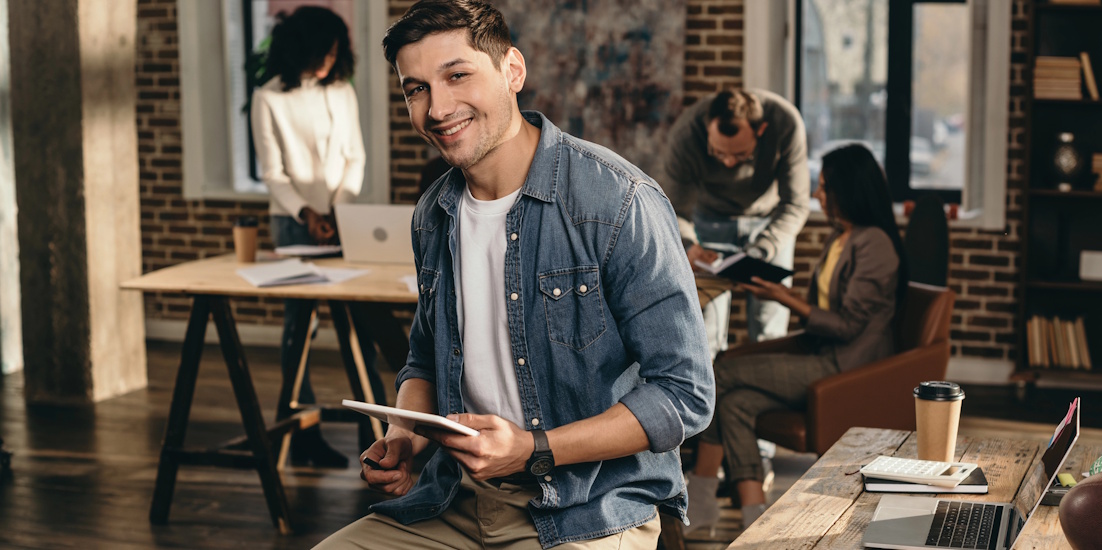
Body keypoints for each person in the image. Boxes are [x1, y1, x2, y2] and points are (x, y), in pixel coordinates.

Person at [314, 1, 713, 548]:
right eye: (416, 89)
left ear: (513, 71)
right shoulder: (433, 215)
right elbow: (424, 361)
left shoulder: (619, 200)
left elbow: (684, 394)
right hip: (454, 499)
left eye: (457, 75)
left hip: (589, 506)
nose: (437, 107)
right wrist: (405, 435)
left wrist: (532, 448)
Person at [684, 143, 908, 533]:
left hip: (846, 368)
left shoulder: (875, 244)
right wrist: (777, 293)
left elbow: (848, 326)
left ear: (848, 190)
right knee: (736, 404)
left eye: (824, 187)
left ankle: (699, 495)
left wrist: (784, 299)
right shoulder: (842, 237)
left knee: (719, 371)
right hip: (821, 354)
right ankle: (755, 518)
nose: (818, 195)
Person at [249, 6, 374, 468]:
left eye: (334, 53)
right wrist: (307, 212)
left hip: (342, 219)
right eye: (322, 52)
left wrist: (336, 211)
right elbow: (273, 173)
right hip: (292, 223)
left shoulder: (341, 92)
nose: (328, 62)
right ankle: (304, 436)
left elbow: (354, 157)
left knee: (355, 324)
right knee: (299, 329)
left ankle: (375, 430)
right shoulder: (268, 98)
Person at [662, 88, 810, 359]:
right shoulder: (685, 134)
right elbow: (671, 208)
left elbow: (796, 204)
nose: (729, 163)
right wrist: (689, 246)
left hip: (769, 223)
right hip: (709, 223)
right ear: (708, 128)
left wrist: (763, 249)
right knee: (706, 332)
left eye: (741, 155)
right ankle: (711, 400)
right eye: (718, 153)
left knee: (770, 330)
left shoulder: (786, 123)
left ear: (761, 130)